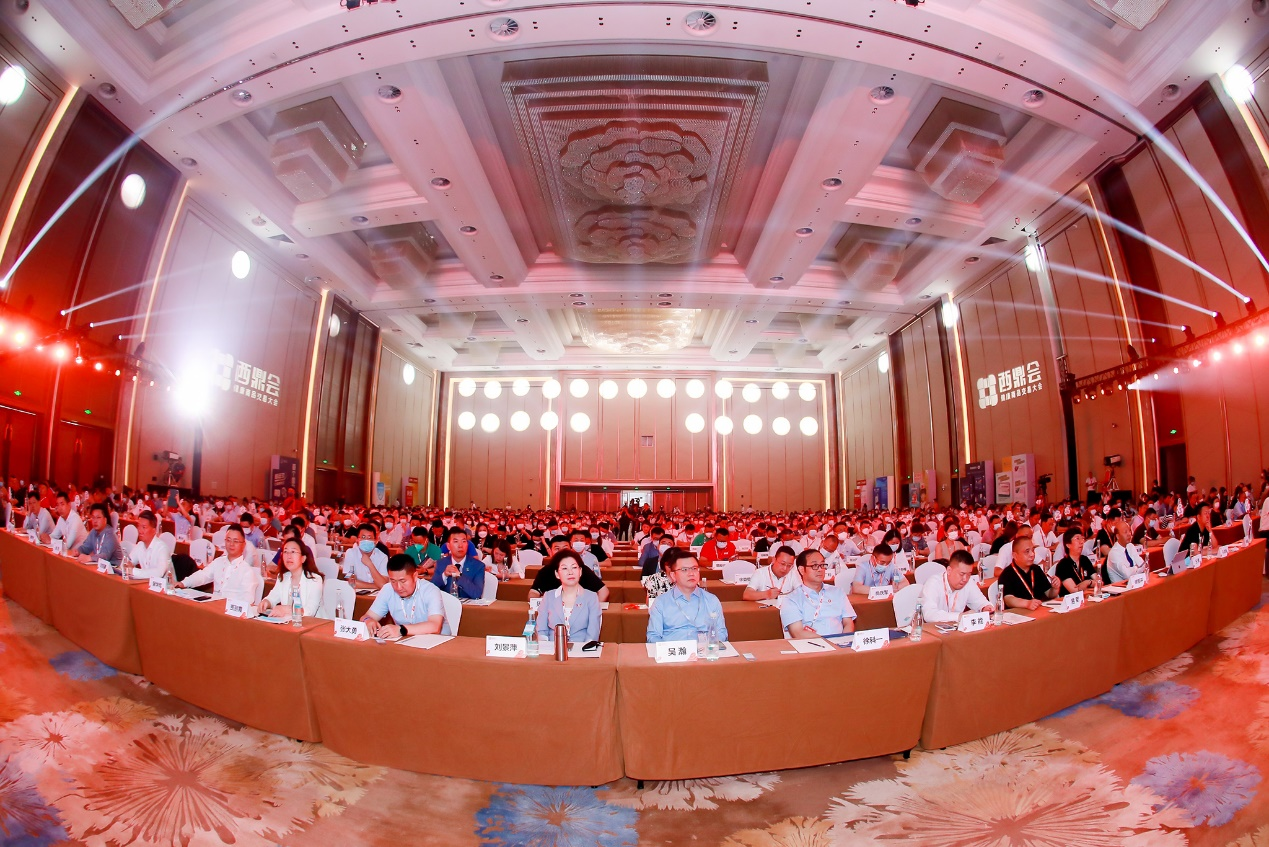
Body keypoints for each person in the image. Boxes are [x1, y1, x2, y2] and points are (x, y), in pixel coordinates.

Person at [646, 550, 728, 643]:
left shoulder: (712, 600)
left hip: (704, 649)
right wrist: (667, 649)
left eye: (694, 568)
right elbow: (653, 636)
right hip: (672, 650)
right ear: (673, 575)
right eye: (684, 570)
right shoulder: (661, 602)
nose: (691, 573)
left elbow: (721, 633)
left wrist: (708, 646)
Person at [360, 554, 448, 639]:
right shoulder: (387, 589)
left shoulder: (430, 590)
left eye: (403, 581)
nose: (398, 587)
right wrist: (368, 620)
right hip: (406, 641)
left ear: (415, 576)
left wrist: (401, 630)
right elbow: (366, 616)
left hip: (437, 641)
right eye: (393, 581)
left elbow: (435, 626)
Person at [179, 524, 261, 606]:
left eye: (236, 541)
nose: (231, 544)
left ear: (243, 545)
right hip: (214, 607)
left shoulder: (247, 572)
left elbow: (247, 601)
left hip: (231, 610)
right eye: (228, 540)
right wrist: (184, 583)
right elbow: (203, 575)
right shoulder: (218, 562)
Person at [781, 550, 856, 638]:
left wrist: (843, 640)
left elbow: (848, 623)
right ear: (801, 570)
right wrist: (828, 643)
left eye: (822, 565)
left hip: (840, 643)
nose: (820, 569)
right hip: (811, 645)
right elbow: (798, 633)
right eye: (815, 566)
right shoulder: (791, 599)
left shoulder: (838, 592)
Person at [535, 551, 602, 644]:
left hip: (582, 648)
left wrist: (584, 649)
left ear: (580, 571)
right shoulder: (548, 596)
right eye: (564, 568)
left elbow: (593, 633)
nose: (570, 572)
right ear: (557, 574)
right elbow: (541, 630)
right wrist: (546, 647)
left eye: (574, 567)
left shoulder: (591, 597)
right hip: (553, 648)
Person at [919, 550, 992, 623]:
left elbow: (981, 601)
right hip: (931, 628)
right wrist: (959, 616)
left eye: (969, 574)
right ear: (949, 570)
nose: (965, 579)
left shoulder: (969, 582)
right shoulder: (933, 583)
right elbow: (929, 614)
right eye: (961, 574)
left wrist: (985, 607)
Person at [259, 537, 323, 618]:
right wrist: (266, 602)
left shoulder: (315, 580)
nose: (288, 556)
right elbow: (272, 598)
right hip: (288, 622)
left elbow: (310, 611)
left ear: (303, 558)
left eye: (293, 552)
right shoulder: (283, 577)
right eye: (285, 552)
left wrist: (288, 609)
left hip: (313, 623)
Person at [531, 542, 611, 602]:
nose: (570, 572)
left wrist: (593, 608)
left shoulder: (583, 569)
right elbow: (533, 593)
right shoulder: (546, 571)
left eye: (565, 548)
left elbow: (603, 591)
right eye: (557, 548)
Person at [996, 535, 1058, 610]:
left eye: (1033, 550)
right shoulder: (1007, 574)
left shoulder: (1036, 569)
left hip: (1038, 610)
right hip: (1018, 613)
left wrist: (1055, 588)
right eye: (1027, 551)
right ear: (1015, 555)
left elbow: (1049, 594)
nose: (1032, 554)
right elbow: (1008, 599)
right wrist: (1027, 603)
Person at [430, 526, 485, 599]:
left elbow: (476, 594)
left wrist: (459, 576)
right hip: (448, 605)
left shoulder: (478, 566)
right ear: (448, 546)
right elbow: (431, 590)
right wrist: (444, 575)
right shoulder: (441, 564)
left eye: (464, 541)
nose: (460, 546)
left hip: (468, 605)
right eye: (456, 541)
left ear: (467, 545)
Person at [127, 511, 175, 580]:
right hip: (145, 584)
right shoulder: (140, 545)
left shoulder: (162, 548)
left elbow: (159, 573)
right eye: (138, 526)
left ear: (154, 531)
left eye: (144, 527)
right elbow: (126, 563)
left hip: (165, 586)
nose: (139, 530)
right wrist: (127, 566)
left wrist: (132, 571)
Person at [76, 502, 122, 569]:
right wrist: (78, 551)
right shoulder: (93, 531)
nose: (95, 521)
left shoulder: (110, 534)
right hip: (100, 567)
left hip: (115, 569)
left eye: (98, 517)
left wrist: (90, 558)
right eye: (93, 517)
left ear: (105, 520)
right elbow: (86, 547)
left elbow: (105, 556)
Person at [343, 523, 389, 589]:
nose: (366, 541)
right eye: (363, 537)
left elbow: (383, 584)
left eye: (369, 538)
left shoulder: (383, 557)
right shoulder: (351, 553)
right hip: (357, 593)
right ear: (357, 540)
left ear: (375, 541)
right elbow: (351, 582)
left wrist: (370, 564)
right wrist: (375, 586)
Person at [1054, 527, 1098, 595]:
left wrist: (1088, 582)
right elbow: (1074, 591)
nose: (1081, 542)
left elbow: (1099, 582)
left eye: (1082, 538)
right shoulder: (1063, 565)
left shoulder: (1084, 559)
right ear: (1068, 545)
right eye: (1077, 539)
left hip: (1088, 596)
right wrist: (1090, 583)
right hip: (1072, 600)